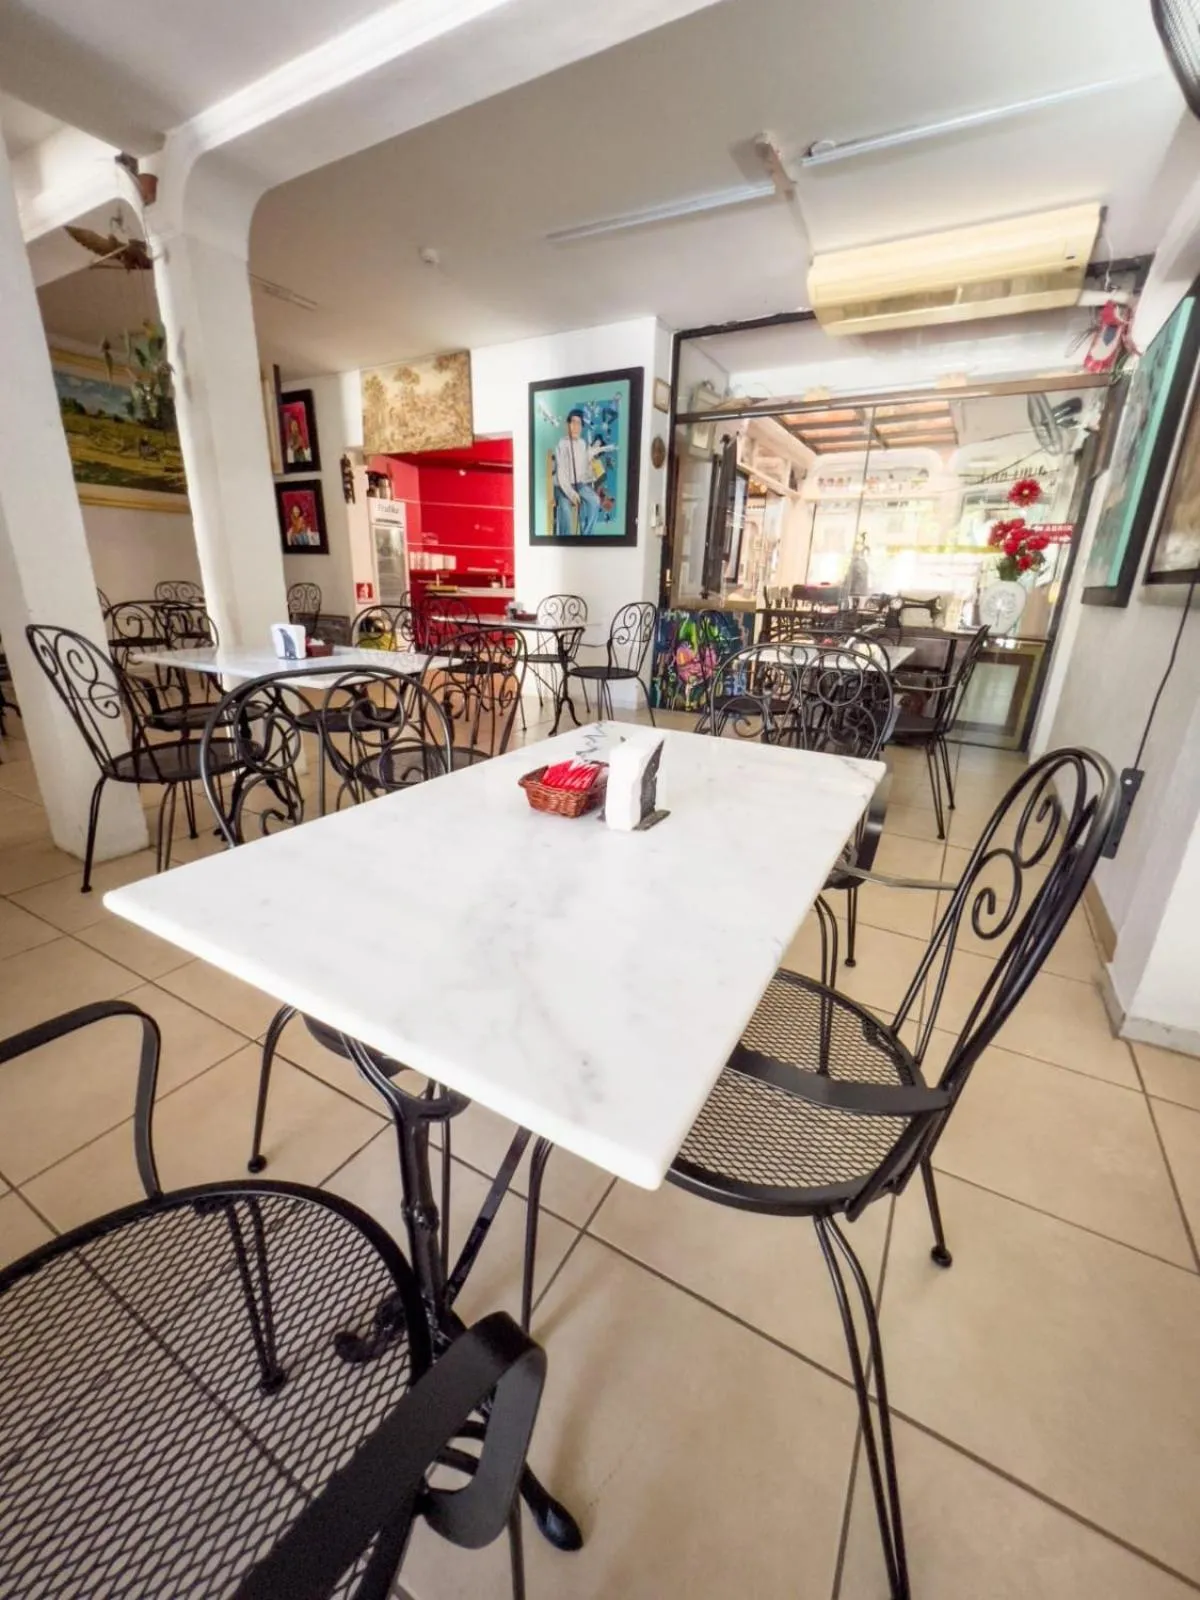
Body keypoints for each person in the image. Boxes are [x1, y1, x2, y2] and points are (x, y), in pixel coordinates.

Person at [553, 409, 613, 537]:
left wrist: (590, 469)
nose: (575, 426)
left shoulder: (582, 444)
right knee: (565, 509)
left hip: (579, 484)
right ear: (568, 425)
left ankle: (586, 536)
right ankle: (565, 541)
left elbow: (583, 467)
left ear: (581, 427)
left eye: (579, 423)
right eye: (573, 422)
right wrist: (572, 494)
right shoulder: (562, 444)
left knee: (595, 500)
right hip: (562, 487)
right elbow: (561, 475)